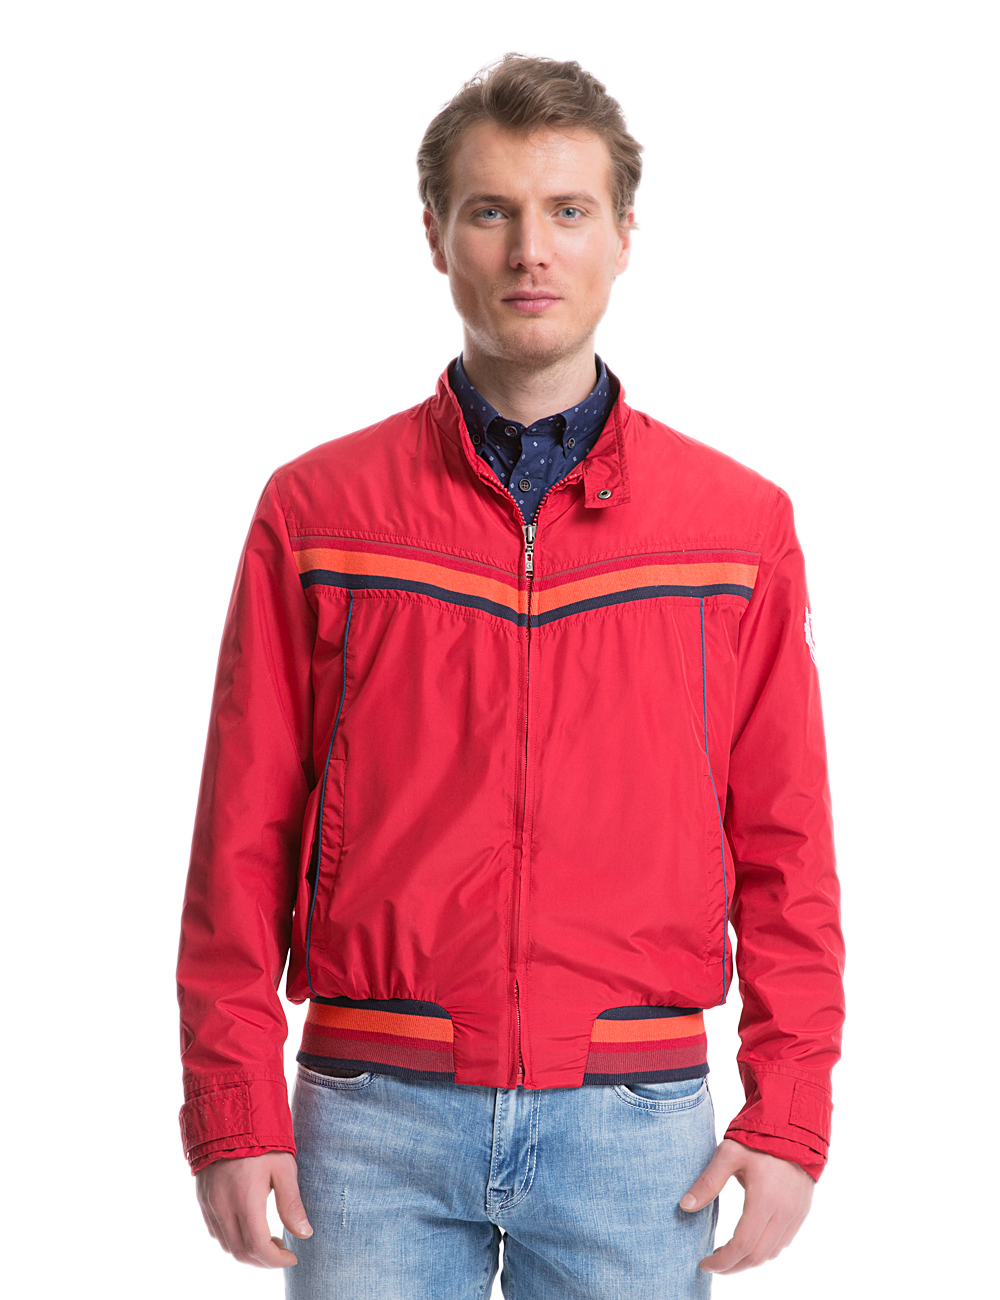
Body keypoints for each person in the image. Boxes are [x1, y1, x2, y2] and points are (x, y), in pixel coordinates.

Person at [176, 52, 845, 1298]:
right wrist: (232, 1105)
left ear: (624, 237)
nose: (531, 250)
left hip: (638, 1122)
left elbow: (786, 840)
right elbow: (242, 832)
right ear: (435, 235)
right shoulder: (319, 511)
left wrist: (791, 1104)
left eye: (567, 210)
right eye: (491, 211)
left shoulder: (735, 527)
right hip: (368, 1117)